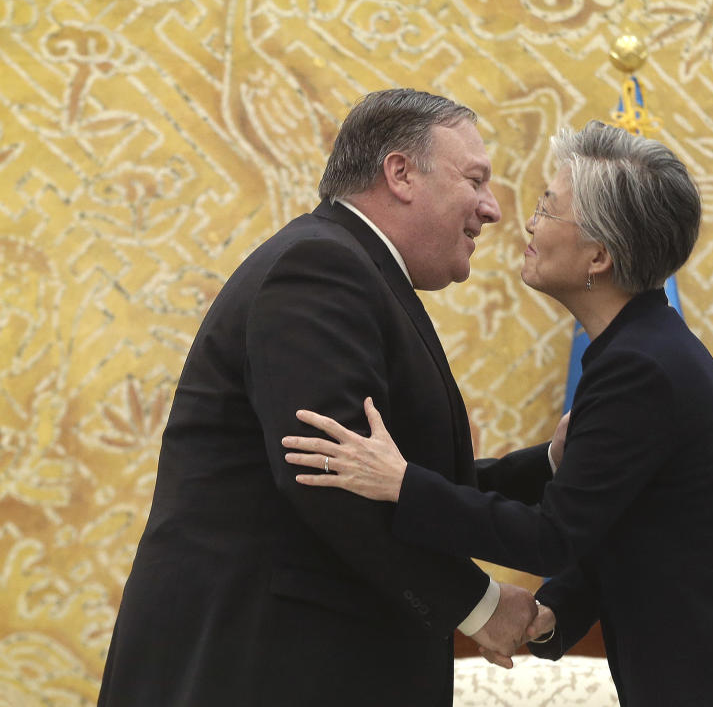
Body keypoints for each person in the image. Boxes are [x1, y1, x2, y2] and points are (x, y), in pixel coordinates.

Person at [283, 121, 713, 706]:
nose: (527, 222)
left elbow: (552, 537)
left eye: (549, 209)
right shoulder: (640, 348)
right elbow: (624, 529)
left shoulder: (641, 367)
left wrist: (403, 485)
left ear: (598, 256)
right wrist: (551, 614)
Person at [97, 89, 548, 707]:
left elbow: (396, 483)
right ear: (400, 173)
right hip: (263, 664)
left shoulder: (355, 269)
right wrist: (479, 605)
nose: (492, 209)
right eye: (475, 179)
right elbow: (327, 478)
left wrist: (548, 467)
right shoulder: (320, 269)